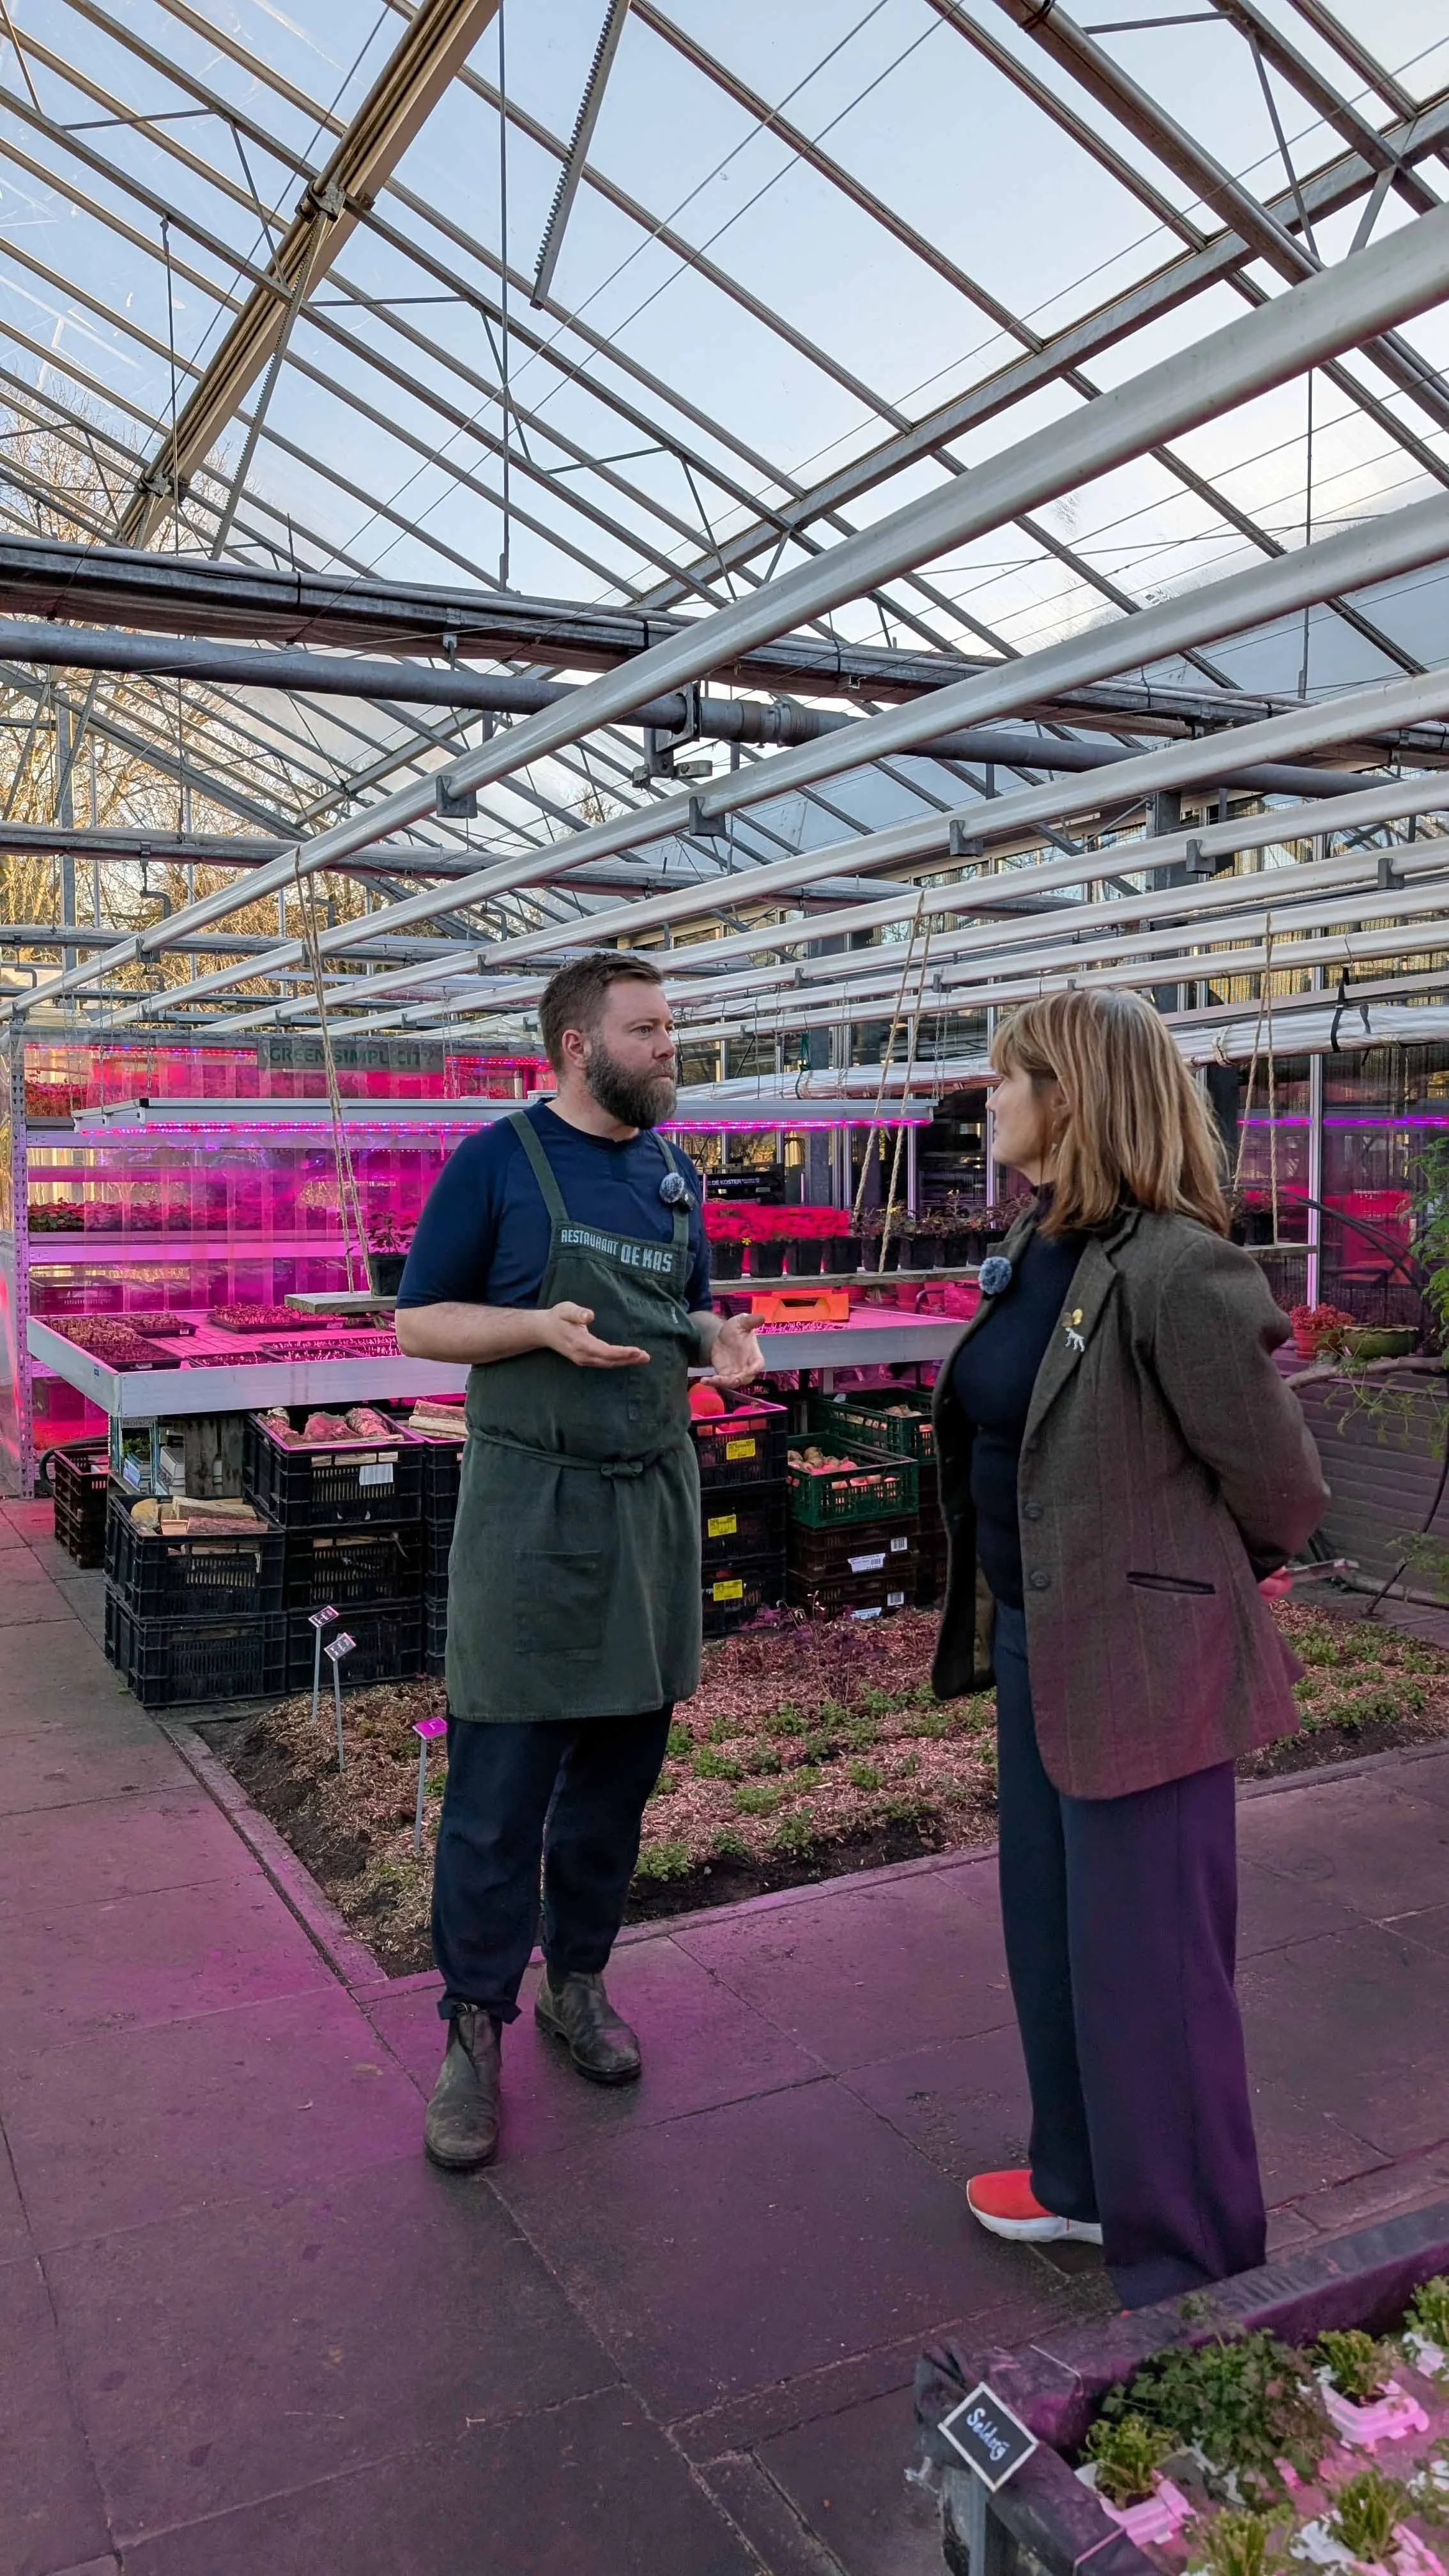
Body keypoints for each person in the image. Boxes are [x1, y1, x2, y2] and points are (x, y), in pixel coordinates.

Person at [931, 989, 1327, 2310]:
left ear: (1076, 1099)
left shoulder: (1175, 1267)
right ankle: (1083, 2181)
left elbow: (1282, 1487)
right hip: (1041, 1641)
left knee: (1154, 1972)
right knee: (1055, 1934)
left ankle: (1195, 2275)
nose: (990, 1097)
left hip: (1143, 1662)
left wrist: (1177, 1594)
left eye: (1010, 1076)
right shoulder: (1038, 1241)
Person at [395, 953, 763, 2169]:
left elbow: (685, 1314)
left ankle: (578, 1984)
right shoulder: (497, 1162)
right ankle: (472, 2028)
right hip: (531, 1509)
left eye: (670, 1028)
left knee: (615, 1784)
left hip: (648, 1506)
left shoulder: (673, 1174)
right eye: (646, 1030)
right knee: (498, 1794)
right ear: (576, 1045)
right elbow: (418, 1319)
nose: (668, 1048)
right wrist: (533, 1328)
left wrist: (719, 1340)